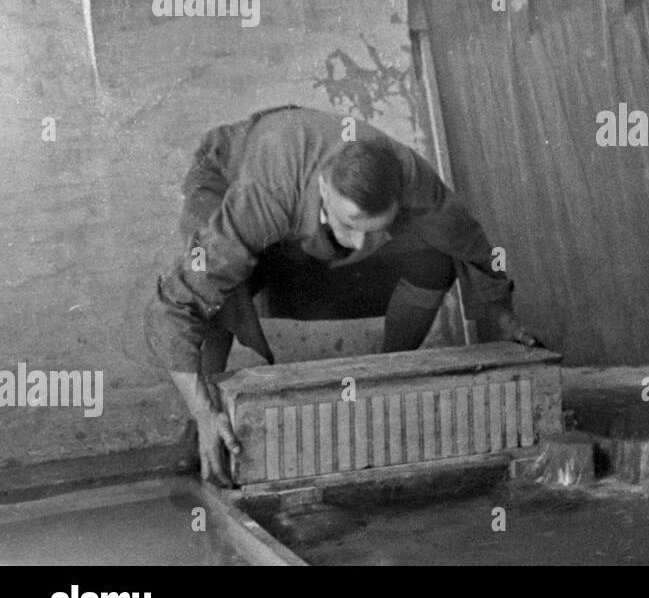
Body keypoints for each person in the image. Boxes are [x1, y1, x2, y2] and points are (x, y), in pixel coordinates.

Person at [145, 104, 537, 486]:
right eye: (351, 224)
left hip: (302, 199)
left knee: (434, 259)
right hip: (229, 170)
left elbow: (472, 244)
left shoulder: (414, 179)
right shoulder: (263, 200)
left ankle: (388, 378)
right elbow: (172, 308)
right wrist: (202, 412)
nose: (362, 243)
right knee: (220, 290)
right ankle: (208, 419)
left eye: (376, 228)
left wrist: (503, 317)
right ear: (323, 189)